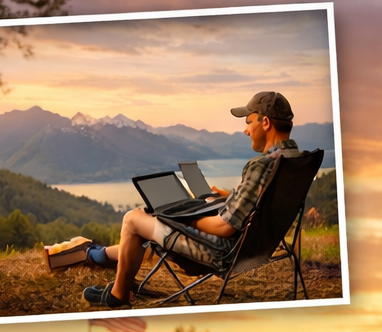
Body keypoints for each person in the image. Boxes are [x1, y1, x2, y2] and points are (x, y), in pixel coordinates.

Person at [82, 92, 309, 308]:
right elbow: (261, 204)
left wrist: (185, 219)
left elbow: (224, 227)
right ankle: (107, 261)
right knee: (180, 208)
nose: (246, 130)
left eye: (248, 122)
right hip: (254, 250)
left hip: (223, 252)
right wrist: (229, 197)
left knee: (133, 218)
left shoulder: (261, 165)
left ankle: (117, 295)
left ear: (266, 122)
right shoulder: (293, 160)